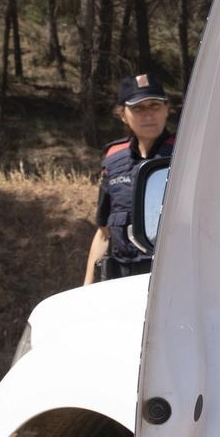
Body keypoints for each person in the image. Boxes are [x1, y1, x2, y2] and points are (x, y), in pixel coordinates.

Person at [84, 73, 176, 285]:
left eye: (155, 106)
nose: (148, 115)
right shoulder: (113, 159)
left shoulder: (187, 155)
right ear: (122, 115)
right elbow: (104, 233)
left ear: (166, 109)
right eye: (138, 108)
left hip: (171, 280)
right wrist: (87, 286)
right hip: (122, 282)